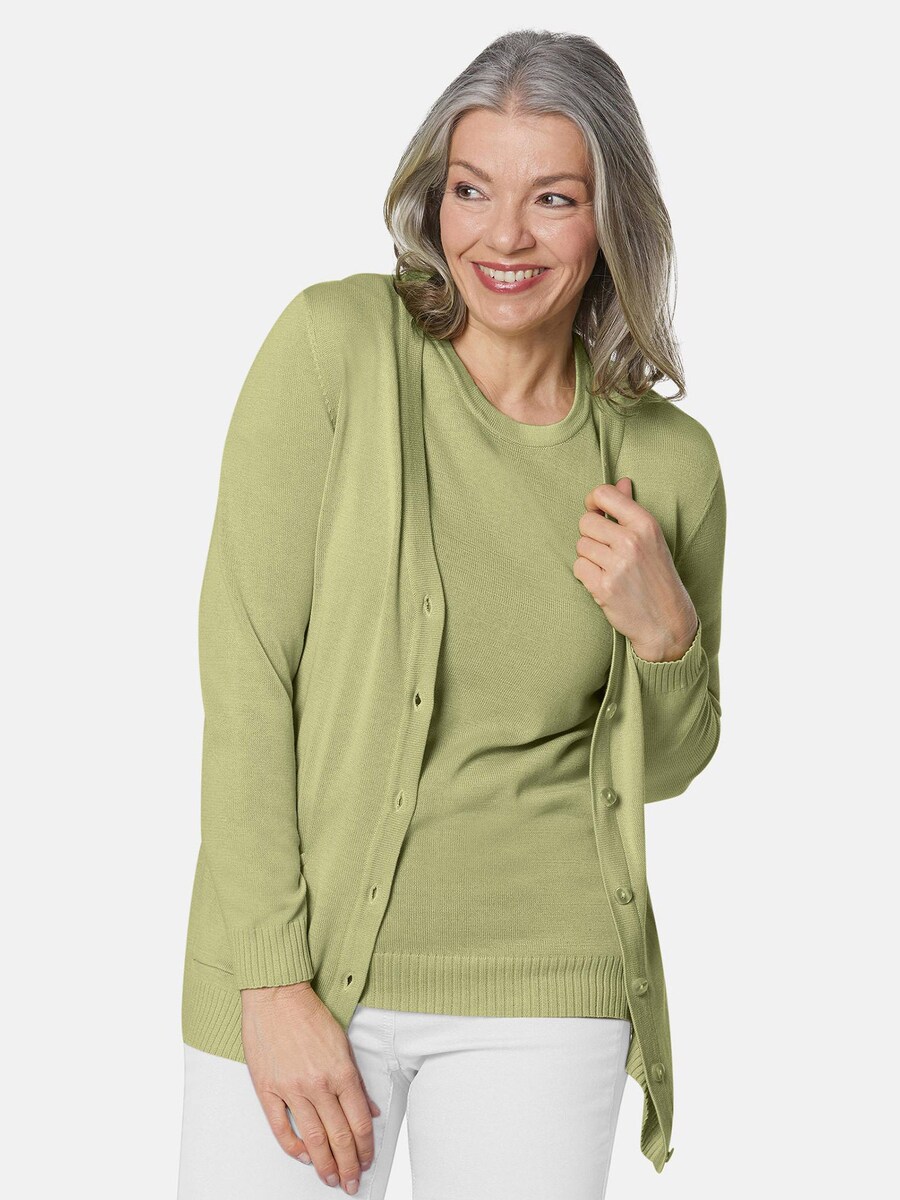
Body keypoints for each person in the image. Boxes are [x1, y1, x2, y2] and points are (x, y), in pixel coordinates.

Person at [176, 28, 726, 1200]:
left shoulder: (668, 461)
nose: (504, 237)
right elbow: (248, 670)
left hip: (544, 987)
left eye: (554, 198)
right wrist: (270, 980)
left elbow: (667, 766)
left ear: (612, 220)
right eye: (473, 190)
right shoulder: (336, 350)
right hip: (302, 973)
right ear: (435, 197)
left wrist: (666, 635)